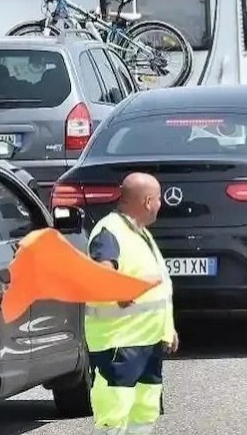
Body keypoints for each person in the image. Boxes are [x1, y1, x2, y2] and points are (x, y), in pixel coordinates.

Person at [86, 172, 178, 434]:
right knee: (114, 416)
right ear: (148, 201)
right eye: (159, 199)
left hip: (146, 341)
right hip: (119, 344)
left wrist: (167, 328)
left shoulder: (139, 233)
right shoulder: (110, 231)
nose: (161, 204)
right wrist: (119, 291)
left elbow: (157, 290)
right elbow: (102, 272)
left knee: (143, 411)